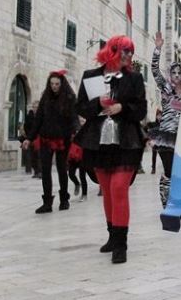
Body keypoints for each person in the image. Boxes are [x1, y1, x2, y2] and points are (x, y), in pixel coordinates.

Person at [75, 35, 146, 264]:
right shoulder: (91, 76)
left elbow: (141, 110)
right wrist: (99, 104)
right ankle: (112, 237)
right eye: (125, 51)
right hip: (99, 141)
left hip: (126, 141)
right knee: (106, 189)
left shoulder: (134, 78)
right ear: (113, 51)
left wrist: (121, 107)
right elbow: (82, 108)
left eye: (131, 52)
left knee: (118, 188)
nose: (128, 56)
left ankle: (121, 245)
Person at [22, 70, 77, 213]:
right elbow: (38, 119)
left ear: (61, 84)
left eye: (57, 84)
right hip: (46, 138)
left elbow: (73, 119)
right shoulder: (45, 98)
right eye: (52, 84)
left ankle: (64, 199)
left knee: (61, 169)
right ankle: (47, 202)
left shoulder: (69, 98)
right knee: (45, 170)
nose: (54, 86)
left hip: (63, 139)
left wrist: (74, 133)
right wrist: (29, 138)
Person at [150, 31, 181, 210]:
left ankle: (178, 203)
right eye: (174, 72)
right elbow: (155, 70)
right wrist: (158, 49)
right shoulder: (165, 88)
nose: (177, 75)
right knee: (169, 171)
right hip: (166, 137)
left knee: (180, 174)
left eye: (180, 72)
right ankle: (168, 203)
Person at [25, 101, 41, 178]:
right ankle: (36, 171)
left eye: (37, 107)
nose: (35, 109)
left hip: (39, 138)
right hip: (31, 138)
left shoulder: (42, 116)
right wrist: (29, 136)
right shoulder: (29, 116)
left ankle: (40, 172)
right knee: (32, 156)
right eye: (34, 107)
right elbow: (26, 126)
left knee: (39, 155)